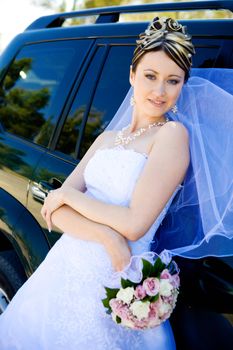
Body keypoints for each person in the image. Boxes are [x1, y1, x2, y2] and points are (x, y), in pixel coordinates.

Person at [0, 16, 232, 350]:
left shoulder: (171, 136)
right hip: (65, 273)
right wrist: (106, 236)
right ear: (132, 74)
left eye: (173, 80)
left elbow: (135, 224)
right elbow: (55, 211)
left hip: (115, 282)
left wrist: (70, 196)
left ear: (183, 85)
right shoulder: (107, 138)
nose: (159, 90)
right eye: (150, 76)